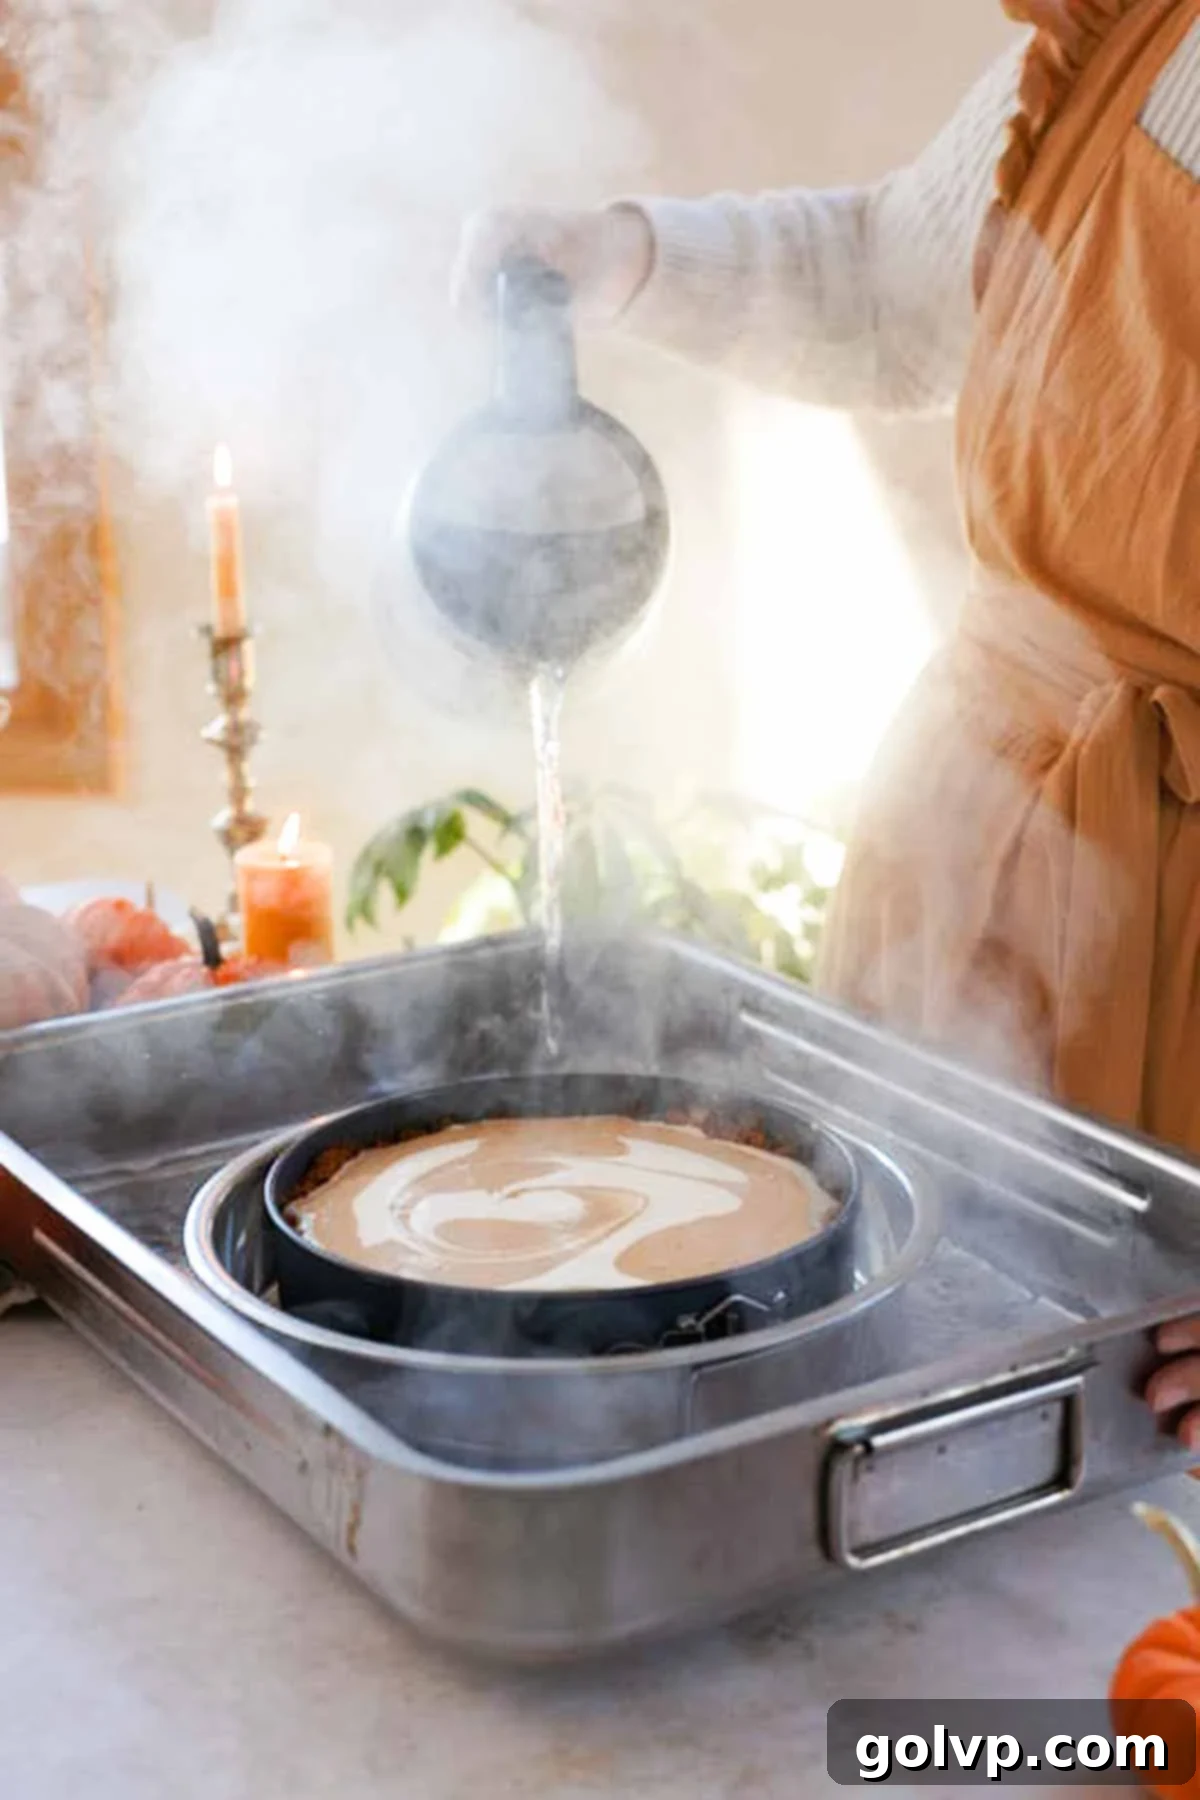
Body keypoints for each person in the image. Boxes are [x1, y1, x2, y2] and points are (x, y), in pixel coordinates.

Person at [452, 0, 1200, 1452]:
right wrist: (631, 255)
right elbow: (896, 286)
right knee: (884, 1434)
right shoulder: (1143, 30)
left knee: (1119, 1592)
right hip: (963, 867)